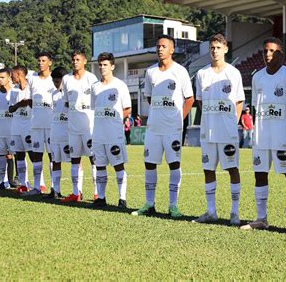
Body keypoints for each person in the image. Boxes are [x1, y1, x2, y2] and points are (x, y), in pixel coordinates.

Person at [240, 37, 286, 232]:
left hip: (284, 137)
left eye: (272, 51)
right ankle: (261, 218)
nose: (268, 55)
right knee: (260, 175)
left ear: (281, 54)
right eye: (265, 51)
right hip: (261, 137)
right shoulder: (257, 77)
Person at [132, 35, 194, 218]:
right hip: (154, 128)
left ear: (172, 50)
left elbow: (190, 99)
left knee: (174, 164)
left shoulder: (180, 71)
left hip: (173, 128)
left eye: (164, 46)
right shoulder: (151, 72)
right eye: (158, 46)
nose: (160, 49)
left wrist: (179, 118)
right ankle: (149, 204)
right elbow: (150, 98)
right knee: (149, 164)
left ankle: (173, 206)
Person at [193, 33, 244, 225]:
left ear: (226, 49)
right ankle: (211, 211)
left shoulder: (233, 73)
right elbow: (200, 101)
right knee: (208, 169)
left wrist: (233, 122)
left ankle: (234, 212)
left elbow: (239, 101)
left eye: (218, 47)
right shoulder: (202, 74)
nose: (214, 51)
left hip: (227, 131)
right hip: (208, 131)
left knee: (232, 168)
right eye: (212, 47)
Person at [91, 52, 131, 208]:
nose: (102, 67)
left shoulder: (120, 85)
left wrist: (116, 121)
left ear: (112, 66)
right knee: (99, 166)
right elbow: (94, 110)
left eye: (105, 65)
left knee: (118, 165)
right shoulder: (94, 87)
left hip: (114, 134)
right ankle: (101, 198)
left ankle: (122, 199)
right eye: (100, 65)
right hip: (98, 134)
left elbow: (127, 109)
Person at [61, 50, 98, 202]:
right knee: (75, 159)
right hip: (73, 127)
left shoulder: (91, 78)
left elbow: (97, 100)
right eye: (73, 59)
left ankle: (97, 193)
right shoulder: (66, 79)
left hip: (89, 126)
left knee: (93, 159)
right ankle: (77, 192)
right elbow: (65, 101)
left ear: (84, 61)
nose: (75, 62)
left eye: (78, 59)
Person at [22, 52, 53, 196]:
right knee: (36, 156)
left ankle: (55, 188)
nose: (40, 63)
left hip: (52, 125)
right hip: (36, 125)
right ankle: (37, 187)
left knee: (53, 156)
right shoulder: (32, 79)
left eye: (43, 61)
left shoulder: (56, 79)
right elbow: (28, 100)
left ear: (50, 63)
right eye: (39, 60)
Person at [8, 65, 34, 193]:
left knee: (33, 155)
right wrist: (19, 104)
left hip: (29, 126)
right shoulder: (14, 90)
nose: (11, 78)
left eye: (12, 75)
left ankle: (40, 184)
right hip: (16, 126)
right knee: (19, 155)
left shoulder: (31, 88)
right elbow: (10, 108)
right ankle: (24, 183)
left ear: (19, 74)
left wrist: (28, 102)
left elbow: (35, 104)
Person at [49, 67, 70, 199]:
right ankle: (55, 190)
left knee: (75, 161)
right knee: (55, 160)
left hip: (68, 132)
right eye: (54, 81)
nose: (56, 84)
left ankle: (77, 191)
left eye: (58, 81)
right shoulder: (53, 94)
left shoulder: (71, 93)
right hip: (56, 131)